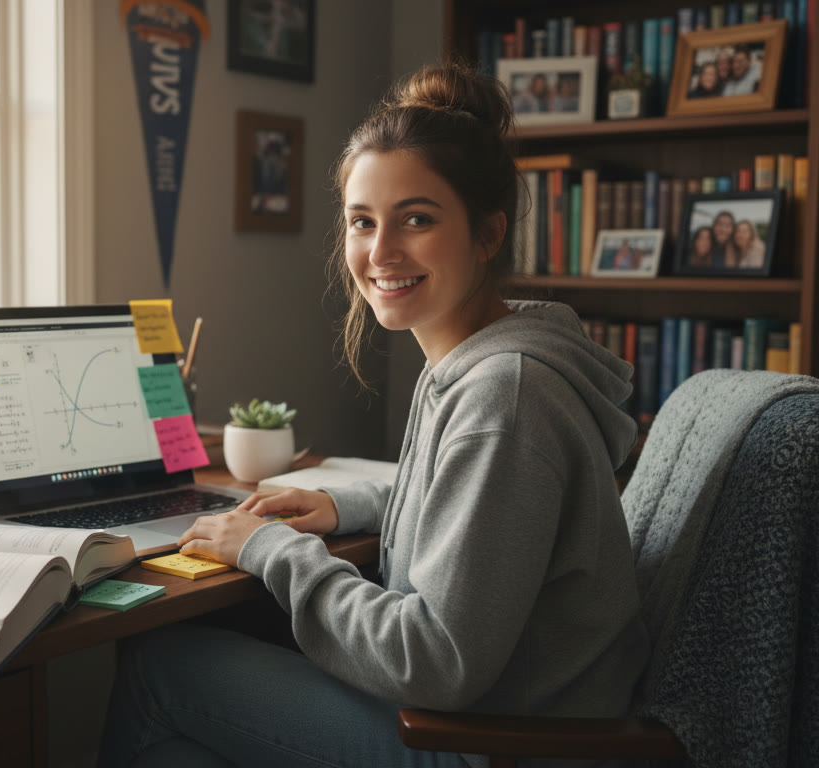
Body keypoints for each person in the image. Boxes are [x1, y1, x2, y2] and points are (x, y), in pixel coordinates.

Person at [99, 62, 649, 768]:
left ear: (488, 232)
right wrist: (342, 504)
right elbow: (473, 500)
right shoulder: (487, 358)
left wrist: (268, 549)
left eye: (416, 219)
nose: (380, 252)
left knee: (158, 668)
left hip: (492, 742)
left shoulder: (502, 397)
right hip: (496, 712)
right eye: (363, 222)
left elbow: (435, 660)